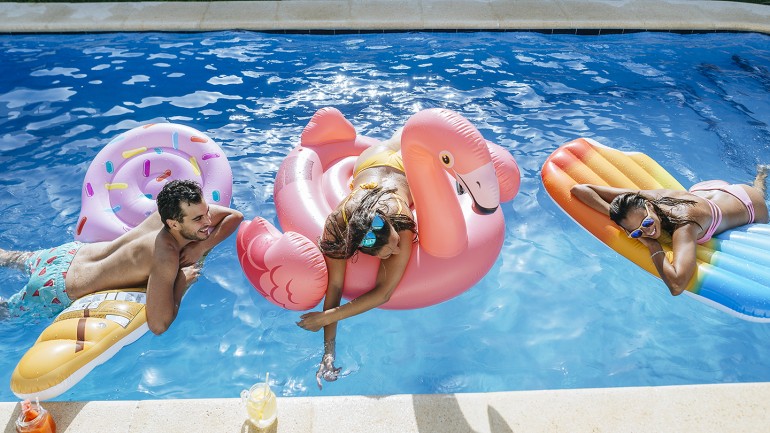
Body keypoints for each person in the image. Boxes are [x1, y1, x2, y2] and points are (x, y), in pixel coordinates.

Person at [0, 179, 243, 334]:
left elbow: (235, 216)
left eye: (207, 212)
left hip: (66, 255)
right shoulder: (165, 254)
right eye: (199, 219)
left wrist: (200, 247)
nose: (209, 221)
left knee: (9, 257)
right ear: (174, 223)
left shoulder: (169, 212)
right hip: (53, 290)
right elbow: (158, 324)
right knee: (5, 313)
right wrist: (181, 281)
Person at [295, 128, 418, 389]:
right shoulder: (338, 226)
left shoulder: (399, 218)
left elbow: (384, 293)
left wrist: (325, 317)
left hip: (398, 166)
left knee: (409, 133)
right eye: (388, 252)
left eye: (395, 243)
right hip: (372, 161)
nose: (398, 252)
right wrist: (328, 351)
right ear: (362, 251)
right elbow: (335, 286)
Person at [570, 166, 768, 296]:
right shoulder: (643, 199)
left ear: (649, 206)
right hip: (704, 191)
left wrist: (654, 246)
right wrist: (619, 221)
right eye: (637, 233)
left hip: (747, 201)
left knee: (760, 190)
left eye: (646, 223)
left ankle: (762, 175)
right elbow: (580, 189)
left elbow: (677, 285)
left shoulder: (685, 225)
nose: (645, 232)